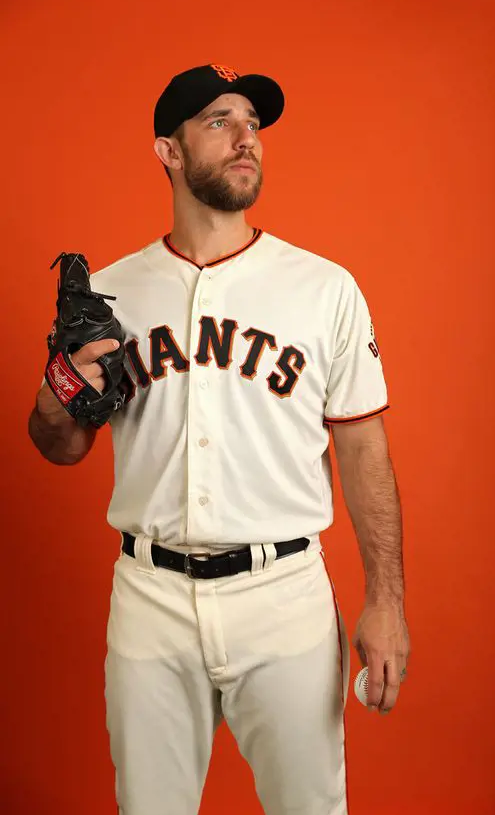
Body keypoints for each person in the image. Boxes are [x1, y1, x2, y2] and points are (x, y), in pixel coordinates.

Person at [28, 63, 410, 815]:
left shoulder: (324, 286)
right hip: (149, 597)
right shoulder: (111, 289)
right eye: (219, 123)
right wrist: (59, 390)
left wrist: (386, 599)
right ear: (168, 151)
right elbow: (60, 444)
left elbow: (364, 448)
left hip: (286, 594)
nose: (246, 139)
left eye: (254, 125)